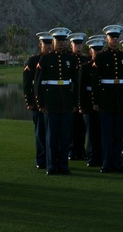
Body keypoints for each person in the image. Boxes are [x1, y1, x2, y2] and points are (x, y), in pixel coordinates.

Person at [34, 27, 78, 175]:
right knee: (51, 137)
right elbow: (38, 84)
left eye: (64, 40)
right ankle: (51, 166)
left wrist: (74, 103)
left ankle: (64, 166)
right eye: (58, 41)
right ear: (53, 41)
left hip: (66, 103)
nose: (61, 43)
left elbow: (75, 83)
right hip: (50, 103)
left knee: (64, 137)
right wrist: (40, 103)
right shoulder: (45, 59)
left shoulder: (71, 59)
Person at [92, 24, 123, 173]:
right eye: (112, 37)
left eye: (117, 38)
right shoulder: (101, 57)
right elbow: (96, 81)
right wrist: (95, 101)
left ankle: (117, 164)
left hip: (120, 101)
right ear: (107, 39)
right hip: (106, 101)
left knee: (118, 135)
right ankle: (106, 164)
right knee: (107, 135)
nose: (115, 40)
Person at [23, 31, 53, 169]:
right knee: (40, 134)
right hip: (37, 104)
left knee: (53, 133)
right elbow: (27, 84)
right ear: (40, 44)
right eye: (45, 44)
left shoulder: (55, 59)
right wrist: (30, 102)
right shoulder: (33, 61)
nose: (48, 46)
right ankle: (41, 160)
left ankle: (53, 159)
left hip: (53, 103)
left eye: (50, 43)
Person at [79, 35, 105, 167]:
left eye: (100, 50)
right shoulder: (85, 67)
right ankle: (91, 158)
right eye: (96, 50)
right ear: (91, 51)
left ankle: (101, 157)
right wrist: (82, 106)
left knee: (102, 132)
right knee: (91, 133)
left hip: (104, 103)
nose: (98, 52)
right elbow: (81, 89)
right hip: (89, 104)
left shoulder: (106, 66)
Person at [68, 32, 88, 160]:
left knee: (82, 127)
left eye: (80, 44)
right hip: (71, 96)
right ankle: (71, 151)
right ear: (71, 45)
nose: (78, 46)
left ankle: (81, 150)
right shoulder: (68, 59)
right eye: (76, 44)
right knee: (71, 127)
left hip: (84, 97)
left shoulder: (86, 60)